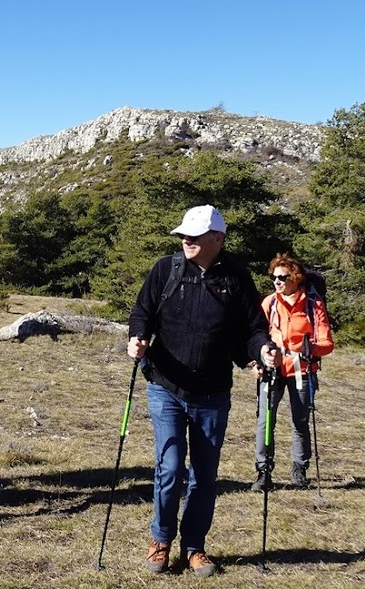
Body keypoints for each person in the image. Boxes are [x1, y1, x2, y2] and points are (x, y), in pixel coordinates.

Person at [126, 205, 274, 576]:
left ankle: (194, 547)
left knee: (204, 476)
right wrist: (137, 337)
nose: (186, 240)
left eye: (194, 235)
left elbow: (253, 330)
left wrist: (262, 351)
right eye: (183, 235)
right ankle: (161, 539)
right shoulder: (166, 269)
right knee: (170, 467)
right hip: (165, 386)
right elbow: (142, 312)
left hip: (212, 394)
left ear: (217, 239)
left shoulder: (236, 278)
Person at [251, 253, 334, 491]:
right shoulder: (269, 303)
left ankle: (300, 469)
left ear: (295, 278)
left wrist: (311, 349)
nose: (277, 281)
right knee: (265, 421)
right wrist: (257, 362)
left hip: (302, 370)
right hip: (272, 368)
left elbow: (327, 342)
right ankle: (263, 471)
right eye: (274, 277)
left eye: (282, 277)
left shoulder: (312, 305)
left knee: (300, 421)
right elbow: (257, 336)